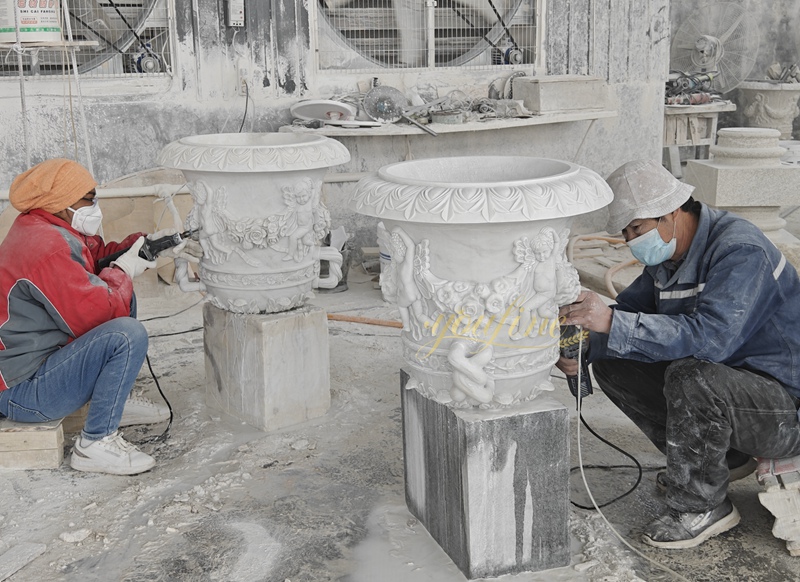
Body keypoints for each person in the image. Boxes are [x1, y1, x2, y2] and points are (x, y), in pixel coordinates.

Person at [557, 159, 800, 549]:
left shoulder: (740, 251)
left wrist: (611, 325)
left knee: (694, 376)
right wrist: (584, 344)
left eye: (637, 229)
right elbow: (630, 317)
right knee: (614, 357)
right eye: (627, 232)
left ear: (671, 214)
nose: (631, 240)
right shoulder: (670, 258)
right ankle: (723, 460)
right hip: (736, 392)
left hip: (784, 410)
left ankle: (700, 505)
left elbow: (712, 340)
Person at [0, 159, 196, 475]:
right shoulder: (46, 246)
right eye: (89, 198)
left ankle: (115, 399)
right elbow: (98, 313)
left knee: (121, 291)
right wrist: (124, 269)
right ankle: (96, 442)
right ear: (62, 203)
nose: (96, 206)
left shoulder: (51, 225)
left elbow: (94, 260)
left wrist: (143, 246)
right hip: (23, 392)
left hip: (42, 366)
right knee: (125, 334)